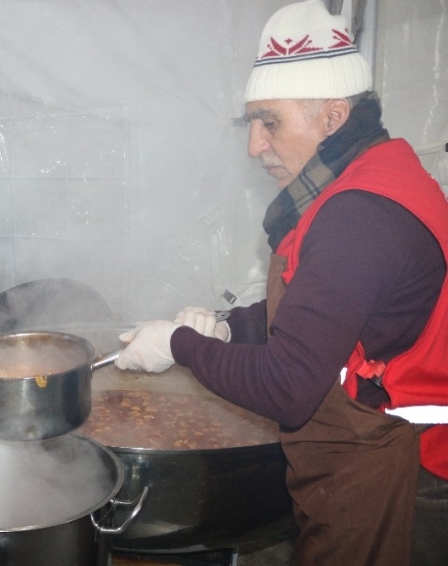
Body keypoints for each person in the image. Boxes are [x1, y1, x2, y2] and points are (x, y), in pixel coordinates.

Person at [115, 1, 448, 565]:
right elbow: (323, 310)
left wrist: (180, 347)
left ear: (333, 117)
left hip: (399, 472)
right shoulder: (378, 176)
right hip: (375, 455)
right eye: (249, 122)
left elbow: (289, 386)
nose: (254, 146)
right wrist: (226, 328)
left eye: (269, 122)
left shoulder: (357, 214)